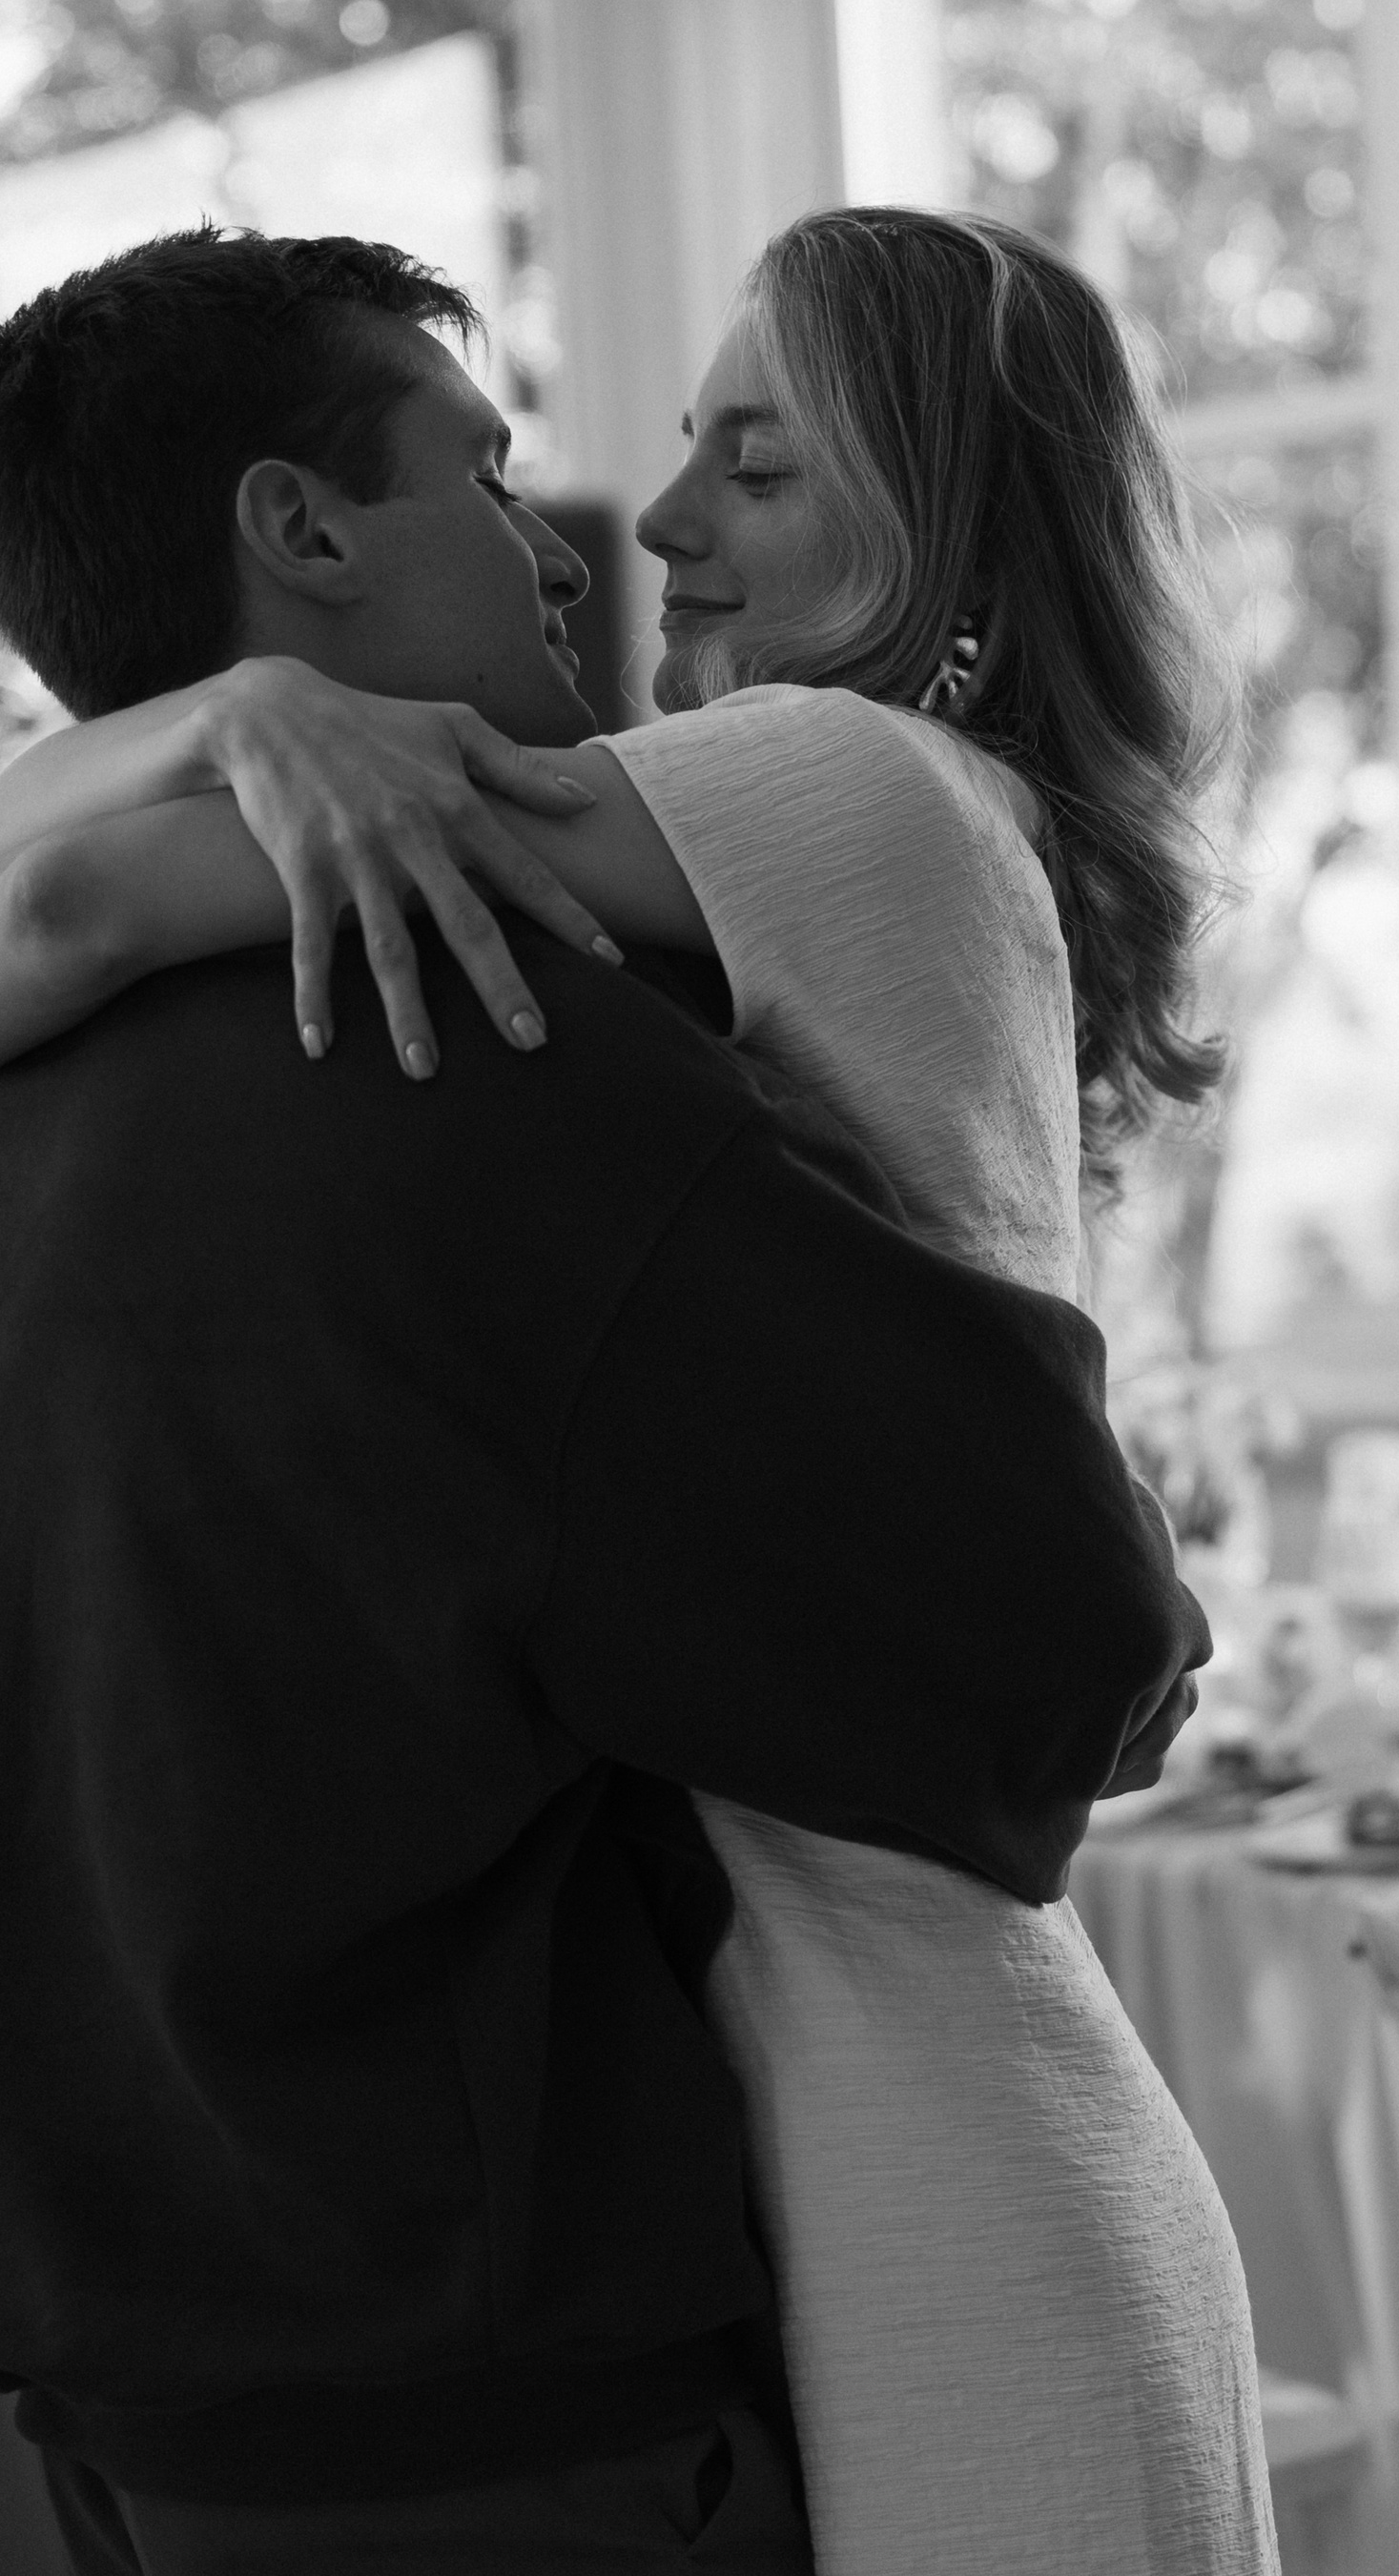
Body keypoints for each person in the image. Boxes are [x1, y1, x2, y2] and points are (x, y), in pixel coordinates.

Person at [0, 215, 1280, 2575]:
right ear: (299, 531)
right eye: (494, 475)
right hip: (600, 2270)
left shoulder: (836, 795)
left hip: (149, 2380)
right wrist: (230, 721)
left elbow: (71, 908)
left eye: (755, 463)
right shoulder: (474, 1031)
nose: (624, 527)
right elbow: (1071, 1648)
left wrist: (191, 724)